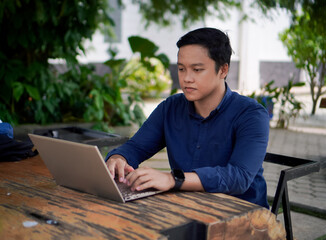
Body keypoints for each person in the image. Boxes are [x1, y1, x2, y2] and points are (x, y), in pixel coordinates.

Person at [105, 27, 270, 208]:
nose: (186, 78)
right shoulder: (171, 108)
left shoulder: (251, 115)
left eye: (197, 70)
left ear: (223, 70)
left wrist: (173, 179)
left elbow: (239, 177)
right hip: (186, 206)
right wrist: (119, 158)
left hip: (242, 214)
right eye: (181, 69)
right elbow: (136, 147)